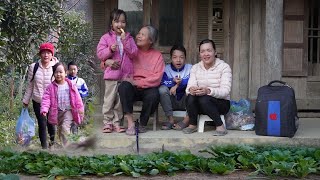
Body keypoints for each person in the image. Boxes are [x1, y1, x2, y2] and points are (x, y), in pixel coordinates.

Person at [118, 25, 165, 135]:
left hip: (147, 87)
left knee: (154, 94)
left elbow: (157, 78)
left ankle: (142, 123)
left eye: (142, 35)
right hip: (132, 86)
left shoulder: (157, 56)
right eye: (138, 33)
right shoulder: (132, 51)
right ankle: (130, 122)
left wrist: (138, 82)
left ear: (150, 40)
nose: (138, 36)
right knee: (123, 87)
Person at [97, 9, 138, 133]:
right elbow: (100, 54)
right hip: (111, 76)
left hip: (124, 76)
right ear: (111, 24)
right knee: (109, 100)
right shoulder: (105, 38)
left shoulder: (129, 38)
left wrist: (125, 41)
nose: (120, 25)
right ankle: (107, 122)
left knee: (120, 103)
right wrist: (109, 50)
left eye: (123, 22)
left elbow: (134, 53)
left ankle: (117, 123)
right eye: (116, 21)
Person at [184, 39, 232, 136]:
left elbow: (225, 91)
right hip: (201, 105)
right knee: (190, 96)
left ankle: (220, 125)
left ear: (215, 52)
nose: (206, 54)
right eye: (202, 51)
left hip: (221, 104)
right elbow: (189, 86)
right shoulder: (195, 68)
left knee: (204, 99)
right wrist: (191, 89)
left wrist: (208, 90)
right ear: (200, 55)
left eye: (209, 50)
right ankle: (192, 124)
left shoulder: (224, 67)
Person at [22, 42, 59, 149]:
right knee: (42, 124)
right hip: (38, 100)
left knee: (51, 124)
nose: (46, 55)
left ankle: (52, 144)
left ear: (52, 55)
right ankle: (44, 149)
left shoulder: (56, 67)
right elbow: (30, 85)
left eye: (48, 53)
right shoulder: (34, 67)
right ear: (40, 54)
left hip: (52, 102)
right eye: (43, 52)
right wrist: (26, 100)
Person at [40, 62, 84, 146]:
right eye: (56, 72)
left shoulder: (71, 85)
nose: (58, 74)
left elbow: (78, 100)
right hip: (57, 112)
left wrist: (80, 111)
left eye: (61, 72)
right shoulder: (51, 87)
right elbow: (46, 99)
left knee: (64, 127)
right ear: (53, 74)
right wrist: (44, 109)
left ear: (65, 73)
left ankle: (67, 148)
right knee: (60, 130)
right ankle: (65, 145)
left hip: (68, 111)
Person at [158, 44, 192, 130]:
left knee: (192, 89)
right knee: (162, 89)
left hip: (185, 101)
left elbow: (193, 81)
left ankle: (186, 120)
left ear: (185, 58)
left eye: (181, 57)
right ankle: (170, 120)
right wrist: (173, 82)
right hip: (171, 101)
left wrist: (178, 85)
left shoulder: (190, 68)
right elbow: (162, 82)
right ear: (171, 58)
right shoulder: (166, 69)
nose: (178, 60)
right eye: (175, 57)